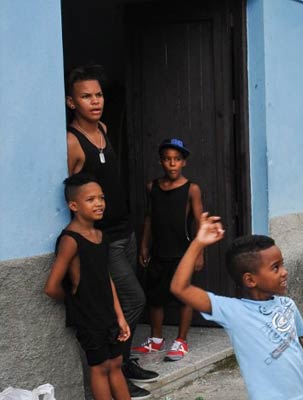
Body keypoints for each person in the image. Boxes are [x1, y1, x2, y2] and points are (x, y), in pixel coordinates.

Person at [65, 64, 157, 399]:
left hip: (125, 230)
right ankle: (116, 364)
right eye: (85, 96)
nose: (94, 101)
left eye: (98, 94)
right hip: (102, 240)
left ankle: (124, 361)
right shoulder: (71, 142)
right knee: (133, 300)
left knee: (128, 302)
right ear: (71, 102)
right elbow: (70, 194)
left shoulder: (103, 128)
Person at [170, 214, 303, 400]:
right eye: (276, 267)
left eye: (283, 264)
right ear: (250, 279)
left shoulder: (287, 304)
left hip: (302, 395)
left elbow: (296, 343)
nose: (284, 272)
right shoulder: (234, 312)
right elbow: (180, 288)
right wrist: (198, 244)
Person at [44, 173, 131, 400]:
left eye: (101, 198)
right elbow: (51, 287)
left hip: (108, 314)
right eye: (90, 199)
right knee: (100, 367)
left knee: (116, 364)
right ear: (73, 205)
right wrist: (77, 300)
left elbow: (106, 277)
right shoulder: (70, 240)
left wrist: (120, 316)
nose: (99, 203)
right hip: (89, 319)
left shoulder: (101, 235)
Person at [132, 138, 204, 361]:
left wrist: (200, 251)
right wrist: (144, 246)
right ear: (161, 162)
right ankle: (156, 339)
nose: (172, 164)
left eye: (177, 160)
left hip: (183, 252)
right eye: (167, 160)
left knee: (185, 297)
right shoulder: (152, 187)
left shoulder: (191, 189)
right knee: (155, 297)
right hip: (159, 251)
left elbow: (200, 221)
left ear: (184, 163)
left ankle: (181, 340)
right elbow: (149, 219)